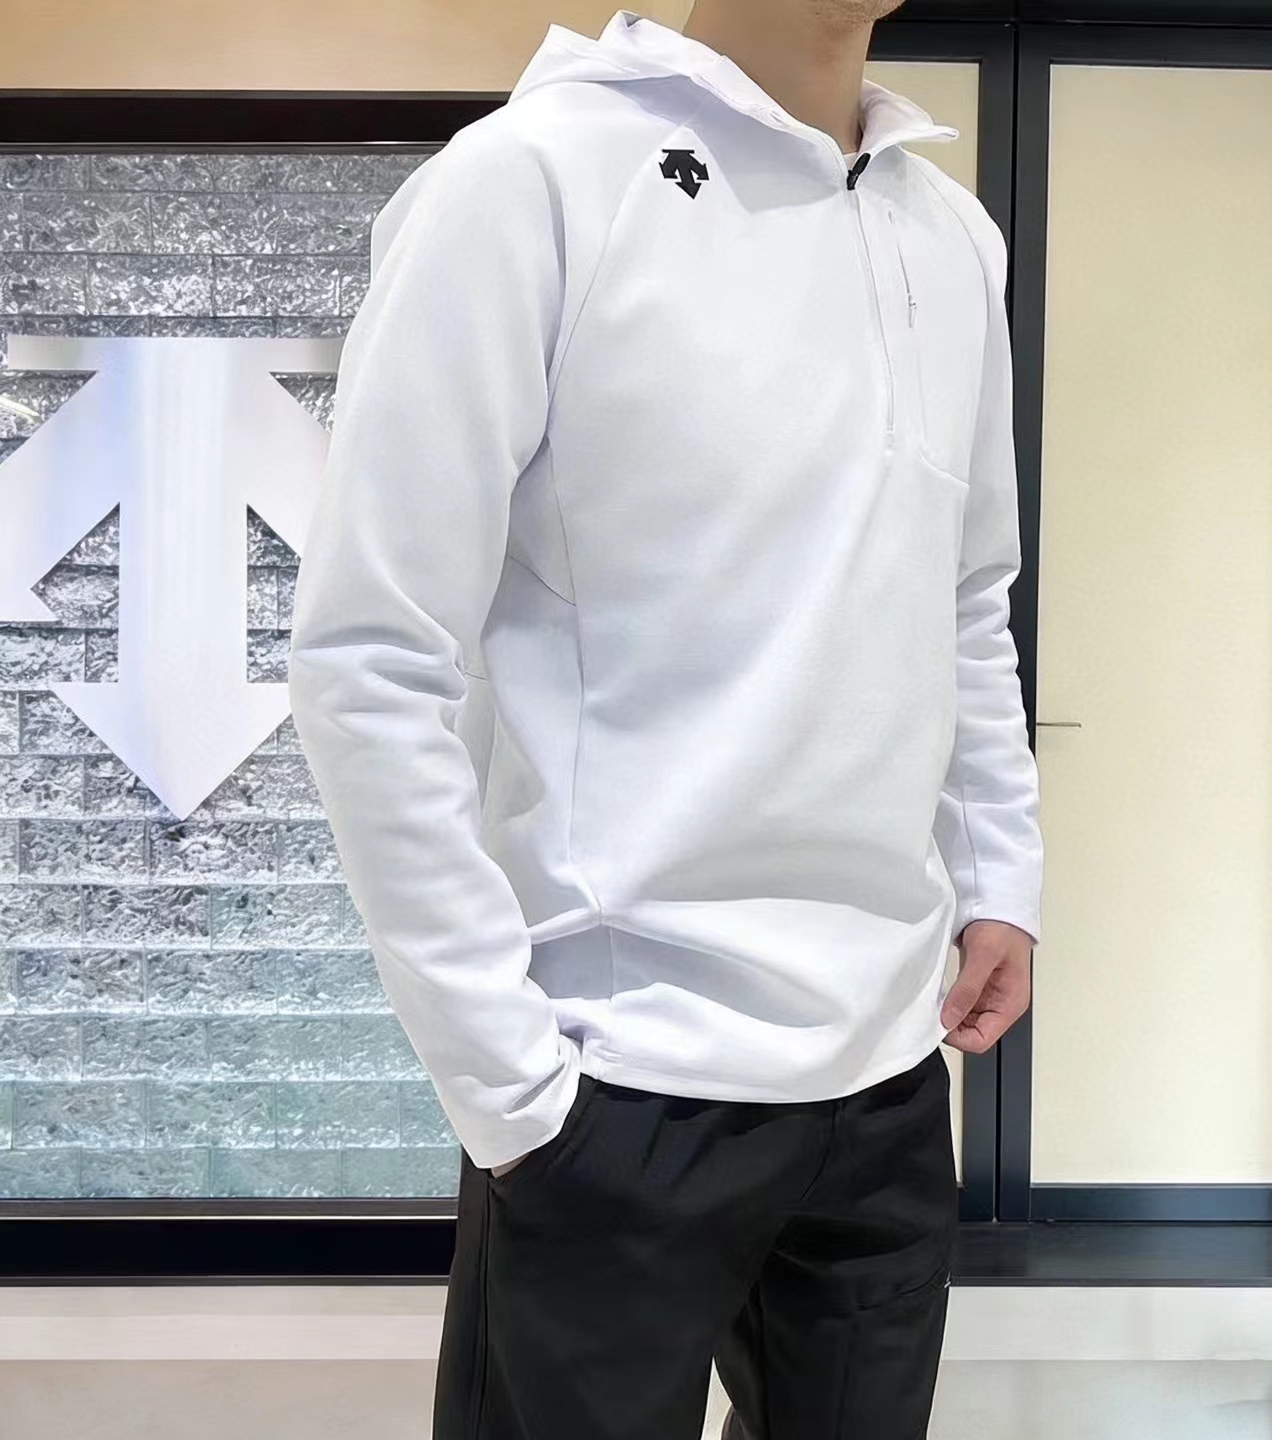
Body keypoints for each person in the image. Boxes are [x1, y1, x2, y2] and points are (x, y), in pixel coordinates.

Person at [287, 1, 1044, 1435]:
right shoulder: (532, 180)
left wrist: (999, 872)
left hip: (887, 1072)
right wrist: (508, 1086)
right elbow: (370, 654)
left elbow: (965, 593)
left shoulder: (953, 234)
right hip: (616, 1078)